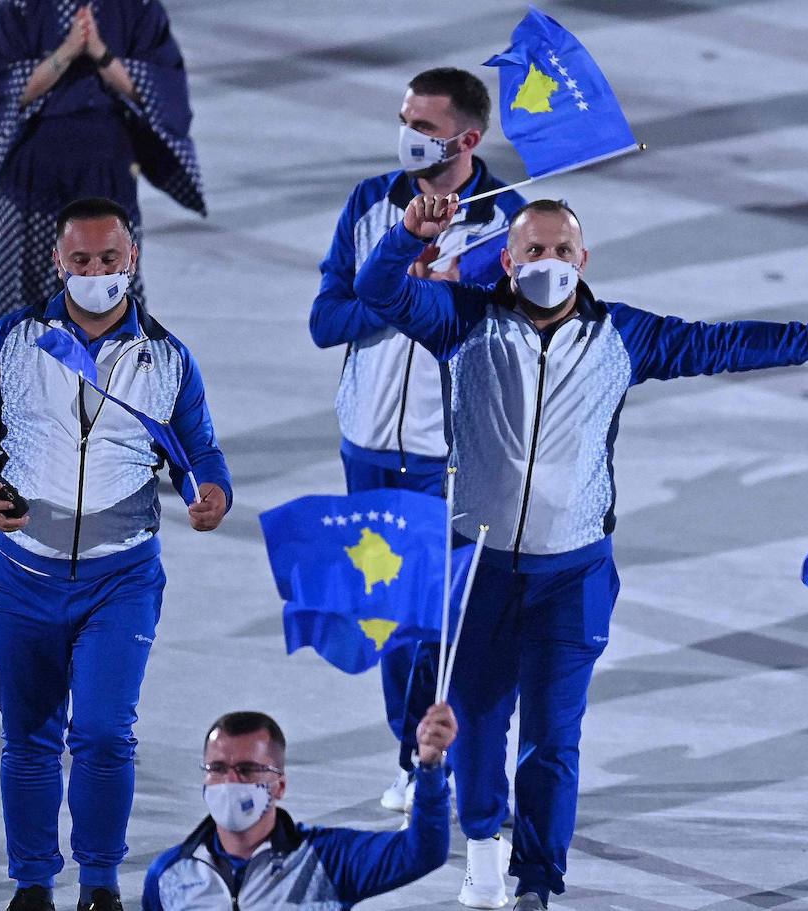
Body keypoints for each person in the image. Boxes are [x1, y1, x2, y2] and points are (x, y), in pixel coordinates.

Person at [353, 192, 808, 910]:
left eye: (559, 250)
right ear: (508, 260)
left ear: (583, 260)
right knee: (478, 721)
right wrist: (405, 237)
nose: (546, 262)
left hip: (571, 574)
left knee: (553, 737)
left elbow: (723, 344)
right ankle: (482, 846)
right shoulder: (463, 320)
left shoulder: (624, 336)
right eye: (532, 251)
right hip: (476, 566)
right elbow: (376, 291)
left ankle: (538, 881)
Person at [0, 197, 232, 911]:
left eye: (110, 260)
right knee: (30, 735)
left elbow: (200, 450)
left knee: (102, 731)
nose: (97, 273)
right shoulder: (13, 342)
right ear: (57, 263)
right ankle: (33, 884)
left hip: (120, 581)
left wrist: (212, 490)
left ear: (133, 260)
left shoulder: (166, 358)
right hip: (22, 580)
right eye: (81, 261)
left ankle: (100, 884)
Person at [309, 66, 525, 815]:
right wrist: (397, 286)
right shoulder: (372, 203)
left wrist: (447, 293)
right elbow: (324, 320)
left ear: (468, 138)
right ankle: (415, 753)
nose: (408, 136)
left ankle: (457, 754)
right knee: (395, 623)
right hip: (367, 447)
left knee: (446, 620)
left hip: (451, 457)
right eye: (404, 118)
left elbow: (515, 342)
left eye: (425, 127)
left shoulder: (511, 222)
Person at [0, 0, 204, 317]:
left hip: (108, 175)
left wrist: (99, 52)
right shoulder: (22, 6)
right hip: (32, 178)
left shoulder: (138, 7)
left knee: (110, 299)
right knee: (27, 313)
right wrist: (67, 51)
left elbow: (162, 93)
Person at [142, 704, 457, 911]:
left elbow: (421, 853)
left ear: (279, 785)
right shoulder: (168, 875)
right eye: (218, 767)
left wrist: (429, 768)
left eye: (248, 769)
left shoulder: (327, 860)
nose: (230, 781)